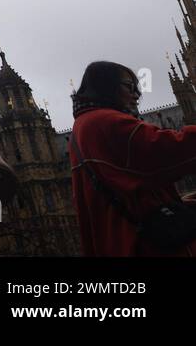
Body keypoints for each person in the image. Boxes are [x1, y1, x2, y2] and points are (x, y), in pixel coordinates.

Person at [69, 61, 196, 256]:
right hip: (140, 244)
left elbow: (130, 188)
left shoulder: (82, 126)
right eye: (129, 87)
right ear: (106, 87)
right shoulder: (106, 122)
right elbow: (166, 150)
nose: (136, 95)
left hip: (116, 240)